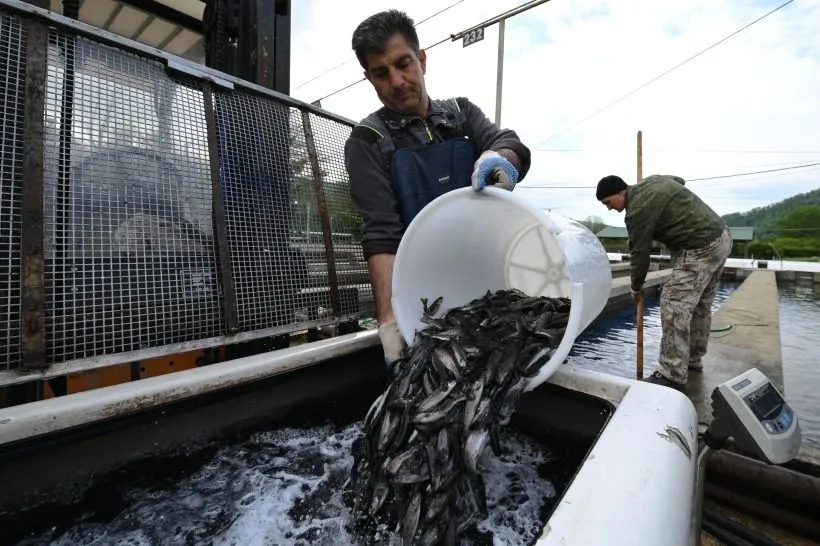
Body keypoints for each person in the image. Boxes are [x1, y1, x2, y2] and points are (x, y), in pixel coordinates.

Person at [344, 9, 532, 366]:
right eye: (382, 73)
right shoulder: (367, 141)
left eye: (404, 64)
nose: (397, 81)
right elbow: (382, 233)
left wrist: (503, 156)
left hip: (488, 281)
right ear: (369, 78)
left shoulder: (462, 114)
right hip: (420, 300)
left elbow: (508, 140)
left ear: (422, 60)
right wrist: (389, 321)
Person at [595, 174, 733, 389]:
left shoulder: (637, 212)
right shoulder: (653, 181)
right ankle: (693, 360)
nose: (609, 208)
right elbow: (679, 180)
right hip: (722, 237)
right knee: (700, 306)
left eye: (608, 202)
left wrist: (635, 287)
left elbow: (640, 253)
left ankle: (671, 373)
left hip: (700, 247)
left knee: (673, 304)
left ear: (621, 192)